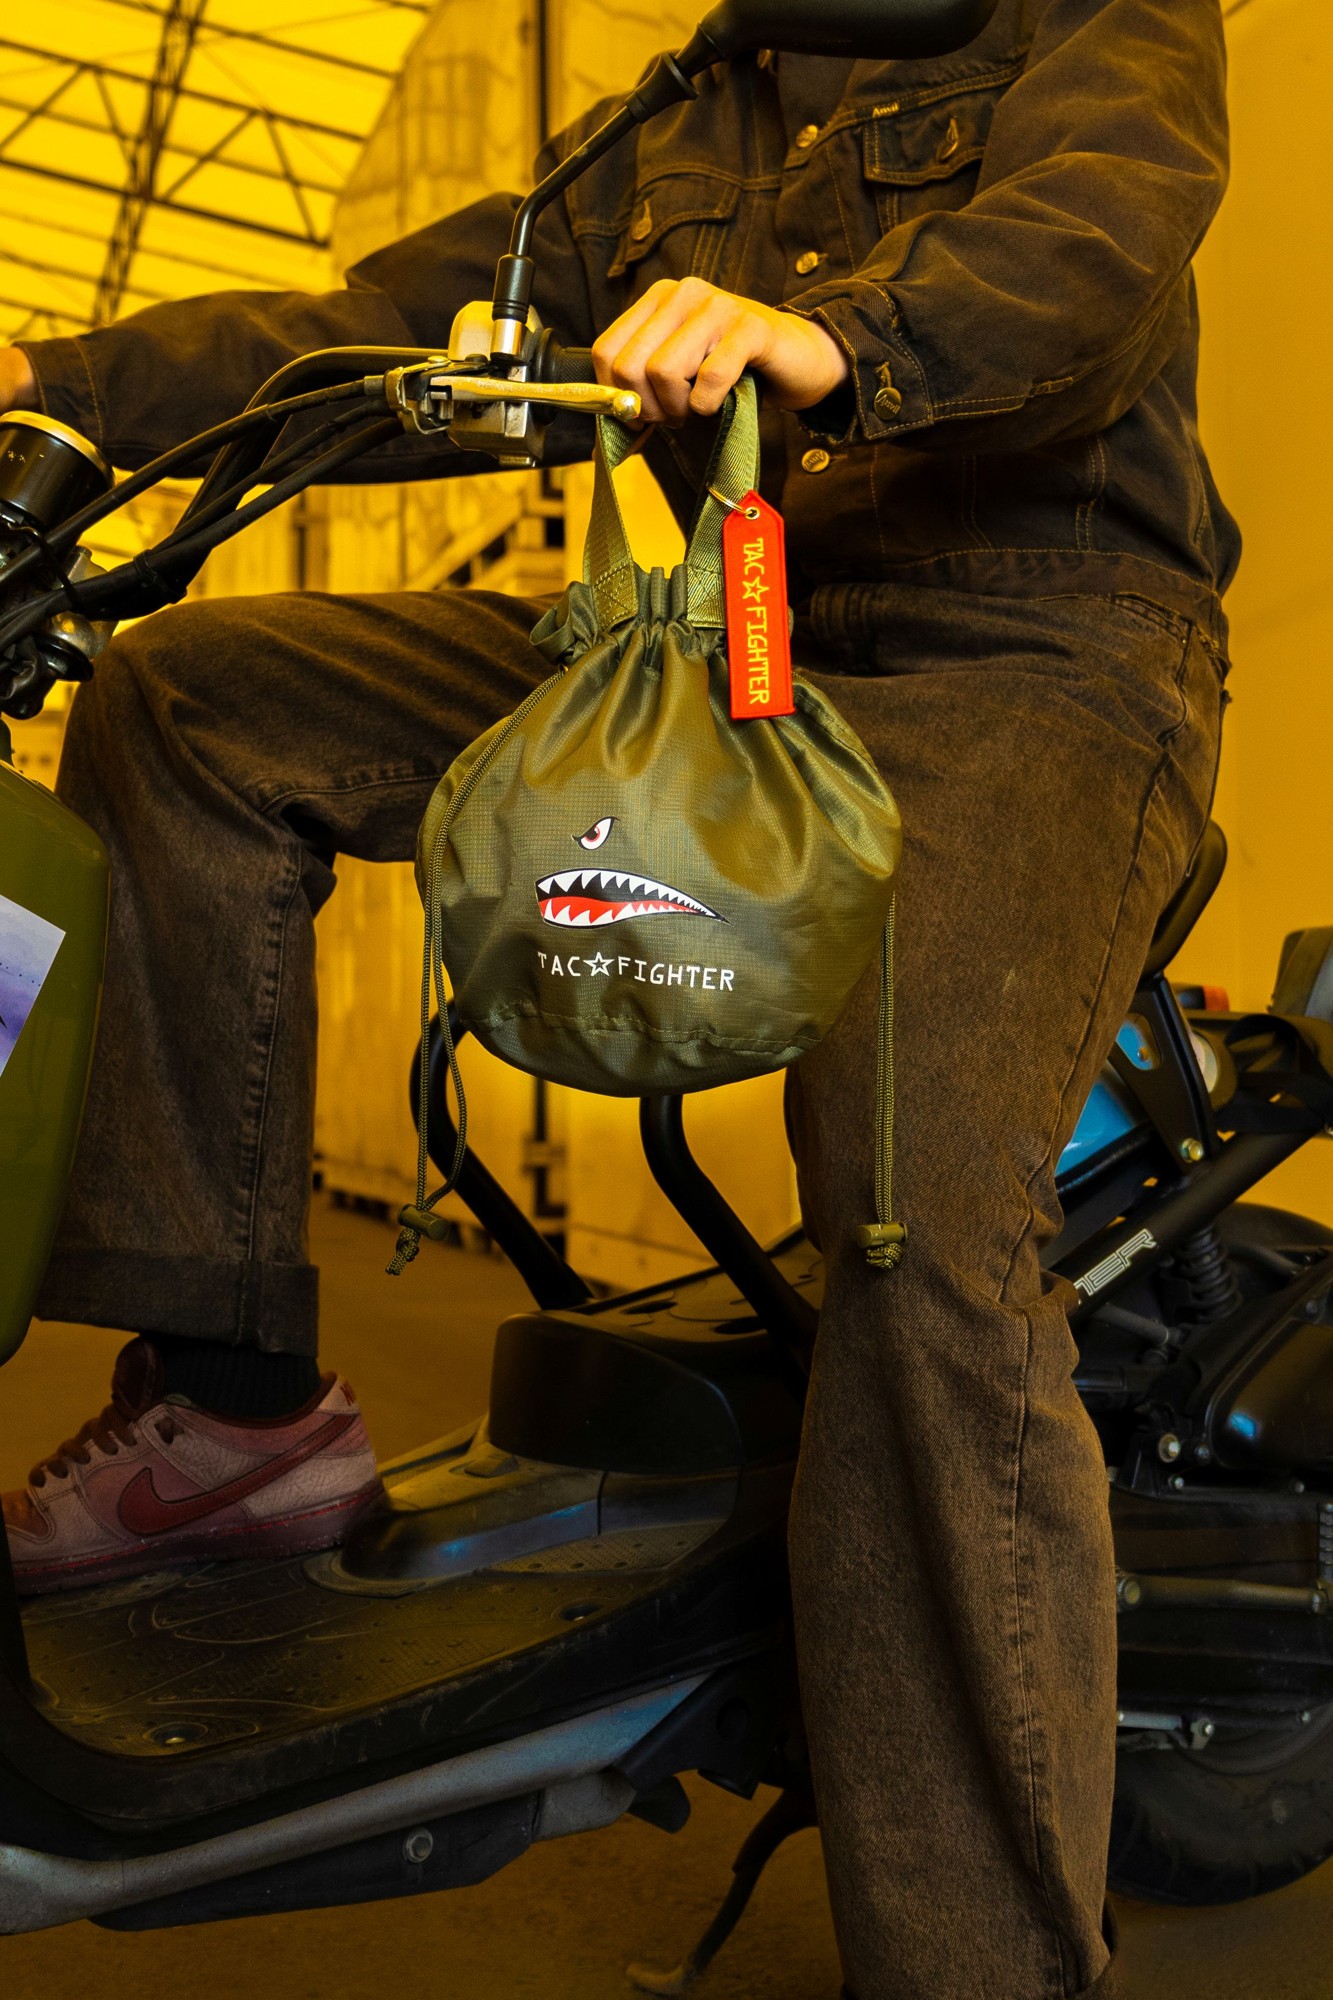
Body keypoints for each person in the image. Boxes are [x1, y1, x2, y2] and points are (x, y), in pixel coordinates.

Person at [0, 3, 1234, 1993]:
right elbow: (391, 325)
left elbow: (1089, 243)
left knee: (919, 1231)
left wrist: (830, 340)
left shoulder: (1094, 23)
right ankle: (234, 1413)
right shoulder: (684, 110)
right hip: (721, 637)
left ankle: (985, 1964)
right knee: (193, 704)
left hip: (1034, 656)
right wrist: (61, 386)